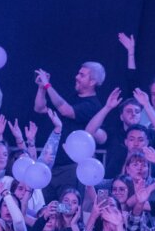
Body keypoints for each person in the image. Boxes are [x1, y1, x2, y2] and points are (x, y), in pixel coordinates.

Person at [34, 62, 104, 198]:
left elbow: (66, 110)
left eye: (82, 75)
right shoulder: (72, 96)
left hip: (70, 168)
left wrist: (48, 85)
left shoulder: (93, 105)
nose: (77, 77)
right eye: (78, 73)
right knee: (49, 208)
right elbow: (39, 108)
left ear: (92, 82)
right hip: (50, 164)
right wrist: (42, 88)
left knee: (66, 208)